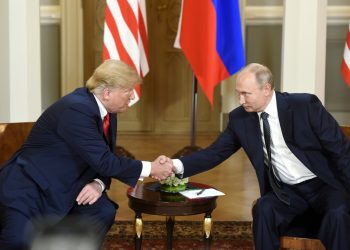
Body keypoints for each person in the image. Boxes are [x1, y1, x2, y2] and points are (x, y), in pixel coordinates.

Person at [171, 63, 350, 250]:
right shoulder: (240, 118)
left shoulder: (305, 106)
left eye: (246, 94)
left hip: (324, 185)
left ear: (266, 89)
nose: (240, 100)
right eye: (238, 93)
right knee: (264, 209)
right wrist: (176, 165)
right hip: (286, 191)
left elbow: (341, 151)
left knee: (338, 214)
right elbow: (214, 153)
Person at [0, 59, 173, 250]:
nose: (132, 97)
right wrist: (152, 168)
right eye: (128, 91)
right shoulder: (77, 109)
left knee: (102, 212)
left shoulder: (106, 111)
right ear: (107, 93)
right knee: (17, 241)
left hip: (71, 185)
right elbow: (104, 160)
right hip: (32, 188)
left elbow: (102, 155)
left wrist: (98, 184)